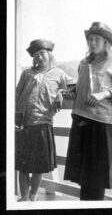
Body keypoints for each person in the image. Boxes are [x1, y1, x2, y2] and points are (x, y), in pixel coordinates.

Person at [62, 22, 112, 200]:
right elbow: (81, 89)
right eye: (90, 39)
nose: (92, 43)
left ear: (105, 42)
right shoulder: (84, 63)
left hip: (101, 125)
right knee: (84, 177)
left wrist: (105, 94)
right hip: (81, 122)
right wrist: (70, 93)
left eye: (96, 39)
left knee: (97, 179)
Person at [15, 39, 72, 201]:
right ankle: (24, 198)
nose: (38, 58)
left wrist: (61, 92)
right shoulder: (27, 74)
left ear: (49, 55)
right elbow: (16, 95)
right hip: (23, 125)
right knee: (22, 167)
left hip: (43, 125)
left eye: (41, 54)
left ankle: (33, 196)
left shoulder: (58, 74)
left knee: (39, 167)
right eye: (35, 55)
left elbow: (73, 87)